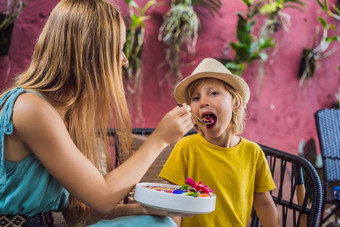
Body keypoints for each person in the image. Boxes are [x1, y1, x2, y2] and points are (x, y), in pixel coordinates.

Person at [0, 0, 193, 226]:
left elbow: (79, 215)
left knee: (158, 221)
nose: (124, 60)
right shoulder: (31, 109)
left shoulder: (63, 114)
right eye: (119, 49)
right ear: (91, 55)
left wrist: (144, 208)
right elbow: (102, 197)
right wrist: (159, 139)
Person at [159, 58, 280, 227]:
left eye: (213, 93)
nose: (203, 102)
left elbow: (264, 203)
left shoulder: (253, 153)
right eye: (195, 98)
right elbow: (173, 205)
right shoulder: (185, 148)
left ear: (235, 103)